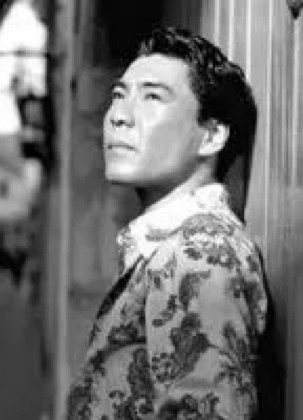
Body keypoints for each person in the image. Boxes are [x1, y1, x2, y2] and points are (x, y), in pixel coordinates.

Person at [67, 27, 268, 419]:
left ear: (212, 136)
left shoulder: (200, 254)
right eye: (119, 95)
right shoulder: (174, 246)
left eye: (152, 97)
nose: (118, 116)